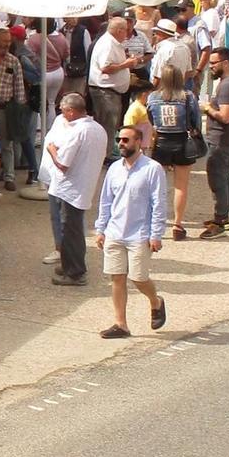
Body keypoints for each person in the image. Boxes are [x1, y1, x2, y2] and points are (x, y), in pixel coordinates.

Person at [94, 123, 167, 339]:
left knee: (139, 278)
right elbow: (106, 201)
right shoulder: (114, 169)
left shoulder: (152, 169)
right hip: (115, 232)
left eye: (125, 140)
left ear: (138, 142)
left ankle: (156, 301)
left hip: (140, 234)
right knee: (117, 277)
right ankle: (121, 324)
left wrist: (156, 234)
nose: (121, 144)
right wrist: (101, 229)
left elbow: (159, 202)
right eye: (119, 140)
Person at [40, 92, 106, 286]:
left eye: (63, 109)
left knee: (71, 231)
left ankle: (75, 272)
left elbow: (62, 163)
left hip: (70, 189)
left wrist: (52, 149)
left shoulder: (78, 132)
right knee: (72, 229)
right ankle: (69, 265)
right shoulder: (98, 129)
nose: (61, 112)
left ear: (70, 112)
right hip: (83, 186)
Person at [144, 62, 200, 242]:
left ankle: (153, 224)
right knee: (181, 186)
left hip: (161, 142)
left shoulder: (153, 97)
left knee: (156, 187)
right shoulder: (188, 96)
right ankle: (177, 224)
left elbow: (150, 118)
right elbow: (196, 120)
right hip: (182, 141)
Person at [198, 46, 229, 238]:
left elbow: (225, 116)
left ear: (225, 63)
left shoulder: (227, 85)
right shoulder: (228, 82)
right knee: (224, 176)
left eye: (214, 63)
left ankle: (220, 221)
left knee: (217, 179)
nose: (211, 67)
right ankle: (224, 216)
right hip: (224, 139)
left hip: (220, 139)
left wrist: (207, 109)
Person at [0, 31, 32, 191]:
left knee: (7, 144)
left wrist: (20, 108)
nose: (6, 45)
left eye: (8, 42)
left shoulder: (13, 61)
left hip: (5, 108)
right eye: (3, 42)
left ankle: (9, 176)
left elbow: (19, 86)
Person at [87, 17, 139, 146]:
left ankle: (107, 153)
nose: (127, 33)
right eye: (126, 30)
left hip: (110, 92)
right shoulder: (108, 44)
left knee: (110, 125)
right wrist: (126, 64)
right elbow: (105, 67)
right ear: (120, 30)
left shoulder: (112, 42)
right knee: (107, 127)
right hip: (105, 93)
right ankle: (105, 156)